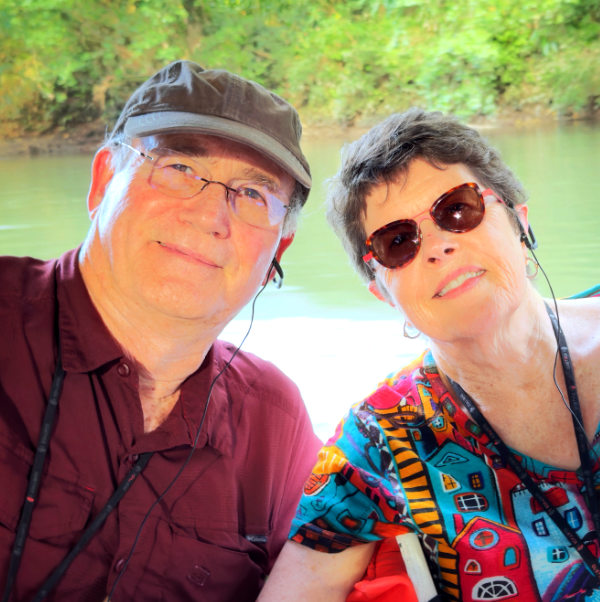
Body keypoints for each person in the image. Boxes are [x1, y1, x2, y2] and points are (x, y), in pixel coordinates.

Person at [0, 60, 322, 601]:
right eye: (178, 168)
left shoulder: (276, 421)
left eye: (252, 196)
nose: (209, 216)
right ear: (104, 180)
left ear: (276, 254)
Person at [258, 108, 600, 601]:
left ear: (519, 222)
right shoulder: (382, 440)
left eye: (458, 209)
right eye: (399, 242)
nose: (438, 246)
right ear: (383, 292)